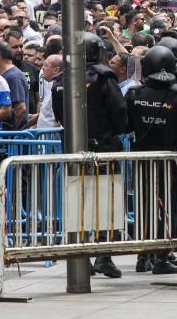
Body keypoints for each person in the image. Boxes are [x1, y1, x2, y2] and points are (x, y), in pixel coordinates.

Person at [51, 32, 129, 279]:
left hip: (75, 148)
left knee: (79, 202)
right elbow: (119, 111)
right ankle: (103, 255)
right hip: (103, 147)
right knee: (106, 201)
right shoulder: (104, 77)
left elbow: (60, 116)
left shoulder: (61, 80)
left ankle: (81, 256)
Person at [125, 46, 177, 275]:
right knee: (171, 208)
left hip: (143, 160)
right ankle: (163, 256)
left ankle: (144, 254)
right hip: (172, 162)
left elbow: (125, 125)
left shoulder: (134, 95)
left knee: (145, 206)